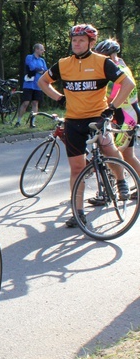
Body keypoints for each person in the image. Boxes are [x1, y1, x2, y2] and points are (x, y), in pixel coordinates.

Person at [38, 24, 135, 228]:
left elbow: (128, 84)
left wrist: (112, 108)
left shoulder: (102, 62)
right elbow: (42, 82)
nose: (76, 43)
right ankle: (78, 212)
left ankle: (120, 179)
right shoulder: (63, 64)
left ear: (91, 42)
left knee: (108, 148)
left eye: (81, 40)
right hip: (73, 121)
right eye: (74, 40)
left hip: (97, 118)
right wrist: (59, 98)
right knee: (77, 168)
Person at [93, 38, 140, 177]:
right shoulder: (120, 65)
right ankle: (115, 184)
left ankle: (119, 184)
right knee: (121, 154)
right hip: (124, 113)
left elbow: (111, 98)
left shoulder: (118, 69)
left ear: (112, 55)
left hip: (127, 117)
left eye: (105, 57)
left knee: (120, 155)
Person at [15, 43, 48, 127]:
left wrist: (40, 70)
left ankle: (32, 122)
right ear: (36, 49)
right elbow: (32, 67)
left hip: (38, 85)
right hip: (29, 84)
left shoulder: (42, 60)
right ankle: (18, 121)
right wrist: (39, 70)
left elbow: (45, 71)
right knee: (25, 102)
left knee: (35, 103)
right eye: (41, 49)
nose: (43, 51)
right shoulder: (29, 57)